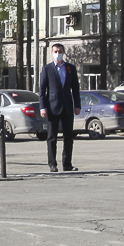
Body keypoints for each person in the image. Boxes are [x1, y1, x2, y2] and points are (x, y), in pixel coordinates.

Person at [38, 43, 81, 172]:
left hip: (68, 106)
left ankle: (67, 164)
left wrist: (77, 105)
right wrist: (43, 107)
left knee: (68, 137)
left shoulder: (70, 68)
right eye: (55, 51)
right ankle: (52, 163)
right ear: (52, 53)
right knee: (52, 137)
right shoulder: (47, 69)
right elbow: (42, 90)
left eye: (60, 51)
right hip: (52, 107)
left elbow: (75, 89)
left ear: (63, 52)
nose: (58, 53)